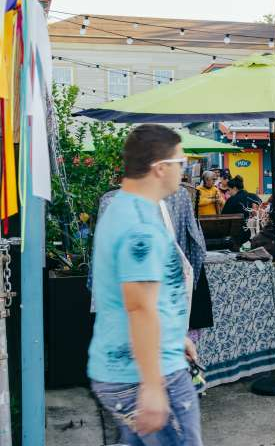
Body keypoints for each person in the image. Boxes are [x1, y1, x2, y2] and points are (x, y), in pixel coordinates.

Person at [87, 124, 203, 445]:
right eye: (181, 163)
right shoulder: (140, 226)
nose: (184, 170)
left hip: (130, 366)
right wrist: (152, 387)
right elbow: (139, 306)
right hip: (144, 374)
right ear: (160, 168)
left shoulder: (124, 208)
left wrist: (173, 335)